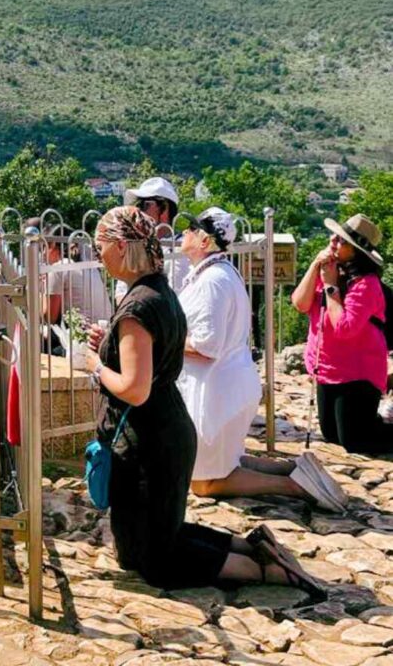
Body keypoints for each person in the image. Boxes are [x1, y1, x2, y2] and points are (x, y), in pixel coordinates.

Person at [84, 206, 325, 595]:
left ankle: (261, 570)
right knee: (142, 544)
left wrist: (96, 365)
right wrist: (110, 346)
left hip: (150, 442)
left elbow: (134, 388)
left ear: (123, 246)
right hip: (166, 430)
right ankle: (251, 545)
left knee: (157, 559)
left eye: (102, 246)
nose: (98, 254)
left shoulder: (138, 307)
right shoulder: (158, 291)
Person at [178, 207, 346, 511]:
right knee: (221, 461)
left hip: (217, 391)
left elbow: (206, 346)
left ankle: (294, 486)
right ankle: (293, 468)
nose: (184, 232)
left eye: (191, 228)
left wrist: (162, 340)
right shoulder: (216, 274)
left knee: (205, 482)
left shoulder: (212, 281)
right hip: (223, 386)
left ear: (204, 241)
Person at [292, 214, 392, 454]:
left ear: (357, 251)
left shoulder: (366, 284)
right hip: (327, 367)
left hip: (357, 371)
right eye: (335, 236)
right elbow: (300, 303)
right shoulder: (330, 270)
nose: (334, 241)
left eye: (342, 240)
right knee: (332, 435)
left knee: (355, 441)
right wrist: (314, 266)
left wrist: (331, 287)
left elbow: (344, 328)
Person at [115, 177, 190, 301]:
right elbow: (121, 292)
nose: (138, 210)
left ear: (164, 209)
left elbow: (174, 294)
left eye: (144, 205)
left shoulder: (179, 247)